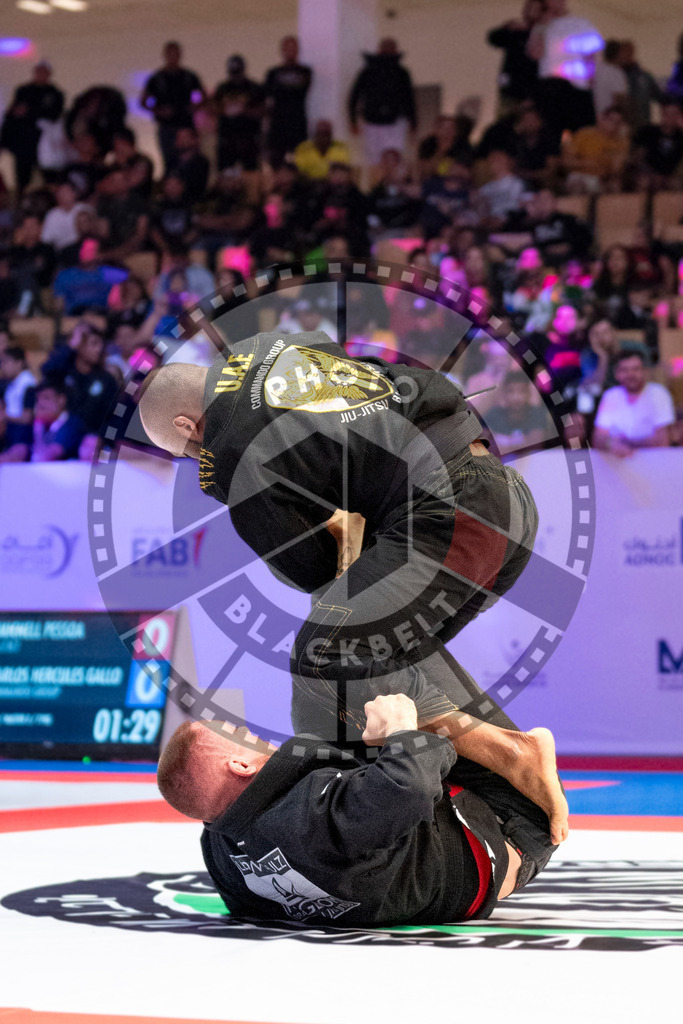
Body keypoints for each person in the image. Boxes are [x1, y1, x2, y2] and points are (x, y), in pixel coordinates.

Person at [138, 328, 544, 778]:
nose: (196, 458)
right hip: (503, 494)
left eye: (187, 451)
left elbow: (311, 568)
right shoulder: (270, 344)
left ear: (185, 425)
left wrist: (321, 520)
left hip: (451, 515)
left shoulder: (230, 450)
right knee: (384, 656)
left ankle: (513, 754)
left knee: (325, 652)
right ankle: (511, 820)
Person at [158, 689, 567, 926]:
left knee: (333, 694)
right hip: (510, 825)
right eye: (239, 734)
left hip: (447, 859)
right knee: (372, 659)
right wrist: (402, 728)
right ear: (239, 764)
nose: (252, 734)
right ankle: (518, 753)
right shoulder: (309, 815)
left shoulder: (222, 852)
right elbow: (411, 787)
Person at [528, 0, 603, 146]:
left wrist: (591, 80)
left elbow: (591, 55)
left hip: (578, 87)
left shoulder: (580, 23)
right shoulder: (541, 27)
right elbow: (535, 53)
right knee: (550, 136)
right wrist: (543, 25)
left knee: (583, 135)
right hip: (549, 88)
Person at [42, 321, 119, 434]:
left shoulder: (106, 379)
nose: (99, 349)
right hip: (60, 431)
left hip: (91, 436)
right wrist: (71, 345)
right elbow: (47, 370)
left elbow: (112, 417)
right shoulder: (64, 371)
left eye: (101, 345)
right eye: (93, 344)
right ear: (79, 345)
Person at [593, 350, 675, 456]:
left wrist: (622, 442)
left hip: (654, 464)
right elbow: (598, 439)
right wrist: (611, 443)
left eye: (636, 369)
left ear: (645, 371)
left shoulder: (659, 394)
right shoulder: (611, 396)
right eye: (624, 370)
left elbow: (662, 441)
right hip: (617, 466)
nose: (630, 374)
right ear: (616, 374)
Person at [348, 39, 416, 166]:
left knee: (396, 157)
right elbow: (354, 96)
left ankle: (394, 183)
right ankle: (377, 184)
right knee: (373, 159)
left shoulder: (401, 73)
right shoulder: (367, 72)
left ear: (396, 50)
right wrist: (352, 120)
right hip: (371, 122)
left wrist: (413, 122)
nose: (388, 51)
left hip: (395, 121)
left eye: (391, 48)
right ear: (379, 50)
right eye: (386, 48)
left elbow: (409, 98)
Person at [140, 41, 206, 173]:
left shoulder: (189, 76)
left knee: (190, 162)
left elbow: (204, 97)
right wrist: (159, 111)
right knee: (169, 163)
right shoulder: (157, 78)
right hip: (167, 127)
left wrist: (194, 107)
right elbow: (143, 101)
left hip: (186, 126)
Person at [0, 60, 64, 193]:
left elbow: (53, 115)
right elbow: (12, 116)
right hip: (23, 143)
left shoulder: (55, 94)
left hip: (44, 143)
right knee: (22, 177)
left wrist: (29, 112)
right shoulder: (24, 91)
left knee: (49, 176)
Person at [487, 0, 545, 114]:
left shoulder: (546, 33)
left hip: (534, 94)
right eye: (527, 8)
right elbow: (493, 38)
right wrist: (506, 27)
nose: (529, 12)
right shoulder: (515, 31)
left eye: (533, 9)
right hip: (510, 92)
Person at [264, 36, 312, 167]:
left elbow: (303, 88)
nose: (290, 50)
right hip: (278, 124)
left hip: (298, 123)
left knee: (298, 163)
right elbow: (267, 98)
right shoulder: (272, 73)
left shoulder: (305, 72)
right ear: (282, 50)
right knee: (276, 162)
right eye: (288, 47)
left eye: (293, 47)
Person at [213, 56, 266, 173]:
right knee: (226, 175)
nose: (236, 77)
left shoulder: (254, 88)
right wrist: (226, 110)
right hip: (227, 139)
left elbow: (263, 111)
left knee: (251, 175)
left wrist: (244, 110)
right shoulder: (222, 88)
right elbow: (212, 109)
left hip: (249, 139)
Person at [563, 105, 629, 194]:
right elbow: (567, 161)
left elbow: (616, 168)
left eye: (618, 122)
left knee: (614, 185)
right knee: (578, 184)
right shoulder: (584, 134)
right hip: (580, 175)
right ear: (602, 119)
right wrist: (587, 163)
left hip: (603, 179)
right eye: (611, 120)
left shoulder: (621, 142)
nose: (613, 125)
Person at [485, 370, 549, 453]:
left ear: (529, 393)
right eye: (511, 391)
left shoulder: (538, 414)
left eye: (522, 391)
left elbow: (535, 444)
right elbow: (481, 443)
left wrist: (502, 447)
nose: (516, 397)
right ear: (504, 394)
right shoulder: (493, 414)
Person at [632, 99, 683, 191]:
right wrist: (652, 174)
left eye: (674, 114)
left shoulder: (680, 136)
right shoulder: (647, 131)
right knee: (644, 182)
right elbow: (637, 156)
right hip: (647, 173)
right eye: (667, 113)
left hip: (671, 176)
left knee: (676, 184)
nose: (670, 117)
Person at [29, 381, 84, 462]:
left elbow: (47, 456)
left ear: (61, 400)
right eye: (38, 399)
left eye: (46, 398)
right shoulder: (40, 422)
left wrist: (38, 428)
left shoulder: (72, 424)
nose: (40, 403)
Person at [620, 42, 662, 131]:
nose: (626, 55)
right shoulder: (614, 76)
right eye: (623, 52)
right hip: (621, 124)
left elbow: (659, 96)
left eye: (629, 52)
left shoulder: (644, 77)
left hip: (642, 123)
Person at [40, 181, 93, 252]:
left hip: (83, 247)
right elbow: (46, 239)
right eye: (60, 193)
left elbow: (92, 232)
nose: (63, 196)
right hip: (61, 251)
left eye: (66, 192)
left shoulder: (85, 209)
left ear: (74, 194)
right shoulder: (52, 214)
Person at [0, 346, 37, 445]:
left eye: (6, 362)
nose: (2, 366)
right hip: (8, 430)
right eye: (1, 362)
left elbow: (27, 418)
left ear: (19, 363)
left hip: (22, 434)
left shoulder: (28, 384)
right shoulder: (10, 383)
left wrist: (3, 416)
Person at [592, 40, 628, 117]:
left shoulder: (595, 69)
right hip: (608, 117)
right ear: (618, 54)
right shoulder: (616, 73)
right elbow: (619, 98)